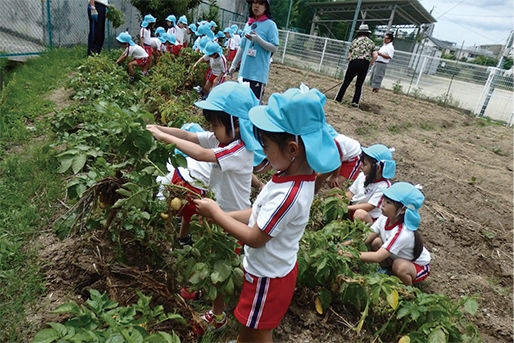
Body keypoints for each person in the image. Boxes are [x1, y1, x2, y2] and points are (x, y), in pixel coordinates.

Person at [194, 85, 340, 343]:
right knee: (252, 326)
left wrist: (217, 214)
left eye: (266, 144)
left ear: (293, 149)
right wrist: (229, 215)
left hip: (268, 278)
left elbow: (256, 237)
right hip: (270, 271)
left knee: (259, 331)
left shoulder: (288, 195)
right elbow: (258, 213)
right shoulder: (291, 177)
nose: (262, 150)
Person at [147, 82, 263, 334]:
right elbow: (189, 136)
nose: (211, 129)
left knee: (221, 263)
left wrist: (163, 138)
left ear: (235, 123)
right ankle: (202, 287)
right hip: (216, 211)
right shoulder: (223, 140)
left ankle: (218, 315)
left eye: (215, 123)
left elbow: (201, 154)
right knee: (207, 253)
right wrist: (158, 128)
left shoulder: (238, 148)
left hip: (233, 219)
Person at [342, 182, 431, 286]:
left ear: (403, 210)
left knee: (399, 267)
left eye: (388, 202)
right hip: (396, 256)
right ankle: (388, 270)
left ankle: (407, 289)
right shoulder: (385, 218)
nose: (383, 204)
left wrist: (348, 254)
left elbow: (377, 257)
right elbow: (367, 236)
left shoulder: (402, 233)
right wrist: (344, 245)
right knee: (376, 242)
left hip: (416, 266)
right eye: (384, 199)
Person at [228, 0, 279, 101]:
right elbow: (242, 46)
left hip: (257, 75)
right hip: (244, 72)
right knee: (239, 104)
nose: (256, 5)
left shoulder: (270, 25)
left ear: (266, 7)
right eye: (254, 2)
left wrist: (258, 40)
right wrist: (234, 64)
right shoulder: (249, 24)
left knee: (253, 105)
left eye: (260, 3)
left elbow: (274, 48)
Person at [346, 144, 395, 224]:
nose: (361, 166)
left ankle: (362, 232)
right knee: (336, 192)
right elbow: (351, 192)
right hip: (353, 209)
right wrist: (341, 202)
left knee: (360, 214)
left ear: (377, 168)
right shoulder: (362, 175)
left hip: (368, 217)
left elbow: (370, 206)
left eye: (365, 164)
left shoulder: (384, 186)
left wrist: (347, 208)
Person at [335, 24, 378, 107]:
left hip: (353, 62)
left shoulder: (355, 41)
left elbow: (349, 56)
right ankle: (355, 103)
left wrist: (352, 62)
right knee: (359, 85)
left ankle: (338, 99)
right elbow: (375, 56)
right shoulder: (371, 42)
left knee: (346, 82)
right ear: (367, 33)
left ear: (359, 32)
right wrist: (370, 64)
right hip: (364, 64)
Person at [315, 124, 362, 193]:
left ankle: (339, 201)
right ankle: (313, 196)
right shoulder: (322, 139)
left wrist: (335, 176)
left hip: (353, 158)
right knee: (319, 177)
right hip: (340, 156)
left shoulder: (333, 143)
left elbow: (337, 160)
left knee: (334, 184)